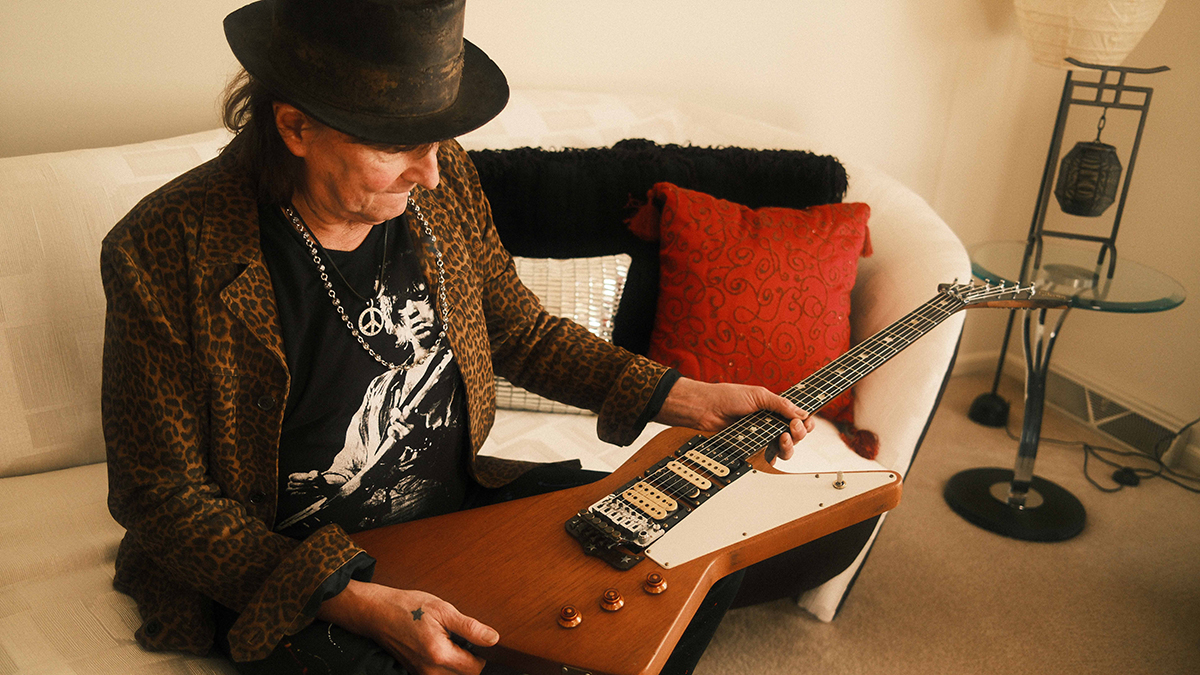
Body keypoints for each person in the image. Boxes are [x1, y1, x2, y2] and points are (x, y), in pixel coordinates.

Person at [100, 1, 815, 674]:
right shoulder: (165, 245)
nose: (433, 171)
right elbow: (159, 494)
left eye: (440, 141)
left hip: (453, 511)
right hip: (284, 560)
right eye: (400, 147)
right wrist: (354, 598)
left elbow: (519, 329)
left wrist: (685, 396)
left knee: (697, 539)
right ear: (295, 127)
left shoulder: (443, 186)